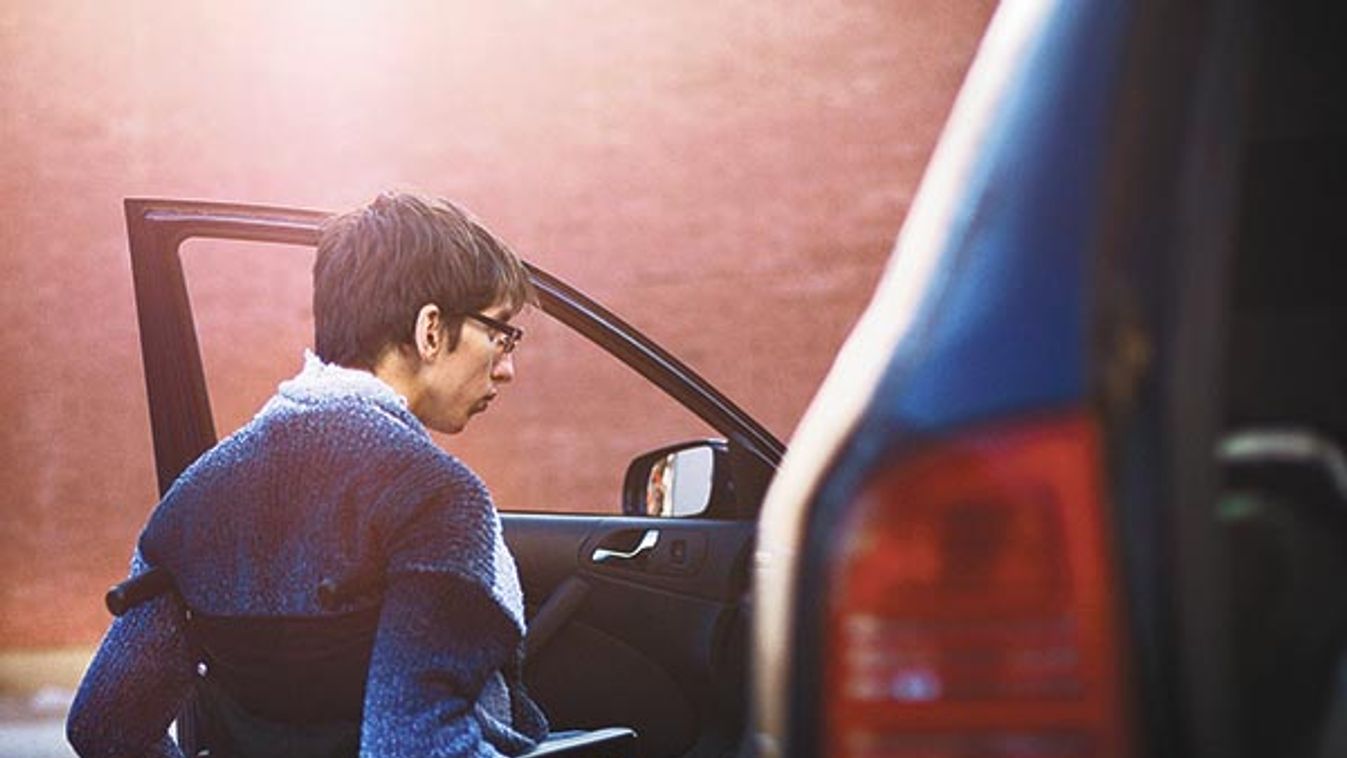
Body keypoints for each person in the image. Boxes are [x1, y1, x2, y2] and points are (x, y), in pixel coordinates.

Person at [66, 190, 549, 757]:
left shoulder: (195, 501)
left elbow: (105, 727)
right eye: (500, 333)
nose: (507, 367)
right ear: (431, 329)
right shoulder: (436, 498)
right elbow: (413, 748)